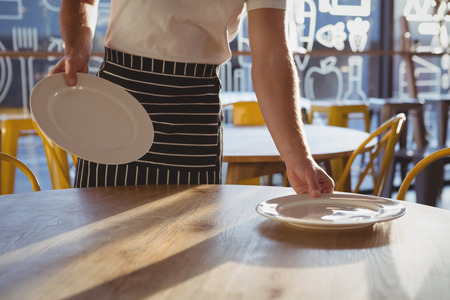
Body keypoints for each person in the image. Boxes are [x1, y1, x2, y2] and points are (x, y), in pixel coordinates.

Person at [49, 0, 335, 196]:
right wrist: (76, 50)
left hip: (193, 113)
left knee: (187, 250)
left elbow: (272, 57)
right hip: (117, 99)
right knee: (95, 244)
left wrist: (298, 157)